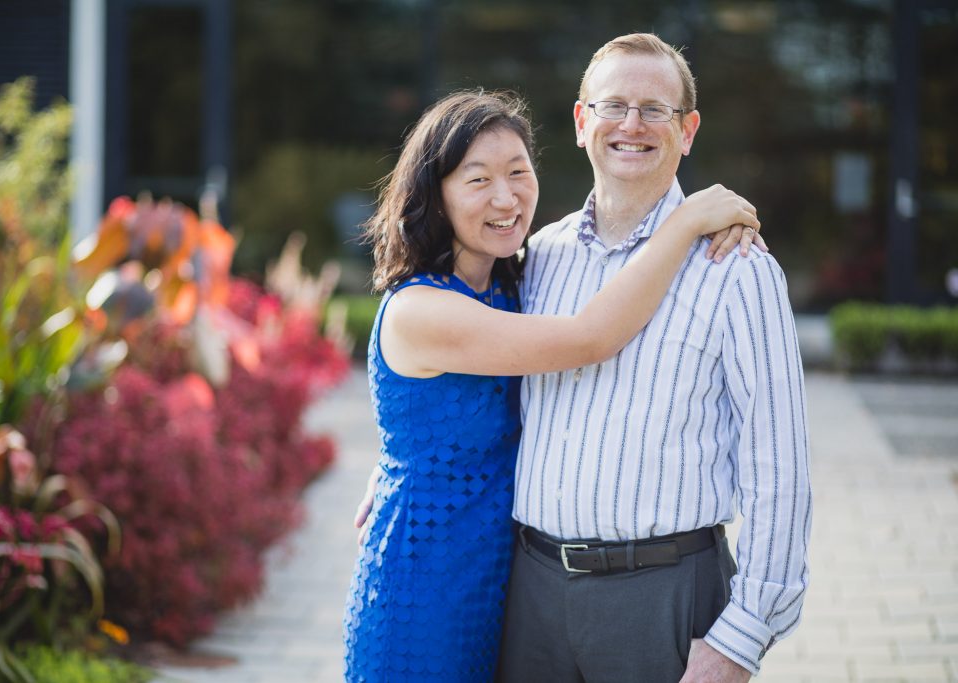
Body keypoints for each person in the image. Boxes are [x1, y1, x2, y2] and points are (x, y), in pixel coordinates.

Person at [342, 89, 763, 682]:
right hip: (425, 578)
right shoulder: (421, 309)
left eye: (519, 172)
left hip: (500, 582)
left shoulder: (516, 281)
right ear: (433, 192)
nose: (505, 197)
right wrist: (687, 219)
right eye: (477, 179)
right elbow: (592, 337)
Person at [496, 33, 811, 683]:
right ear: (582, 122)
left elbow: (779, 466)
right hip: (530, 594)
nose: (631, 125)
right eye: (613, 106)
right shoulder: (537, 257)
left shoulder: (738, 269)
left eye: (654, 110)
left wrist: (741, 637)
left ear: (688, 131)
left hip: (663, 598)